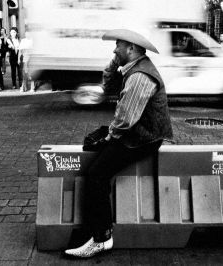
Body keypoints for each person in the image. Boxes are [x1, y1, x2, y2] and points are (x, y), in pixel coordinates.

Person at [64, 29, 173, 258]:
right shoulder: (132, 67)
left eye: (118, 46)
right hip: (135, 132)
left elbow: (125, 118)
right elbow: (109, 86)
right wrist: (115, 62)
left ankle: (102, 238)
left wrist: (109, 137)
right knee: (95, 158)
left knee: (96, 175)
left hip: (143, 139)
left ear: (131, 49)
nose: (114, 49)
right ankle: (92, 229)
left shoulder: (140, 76)